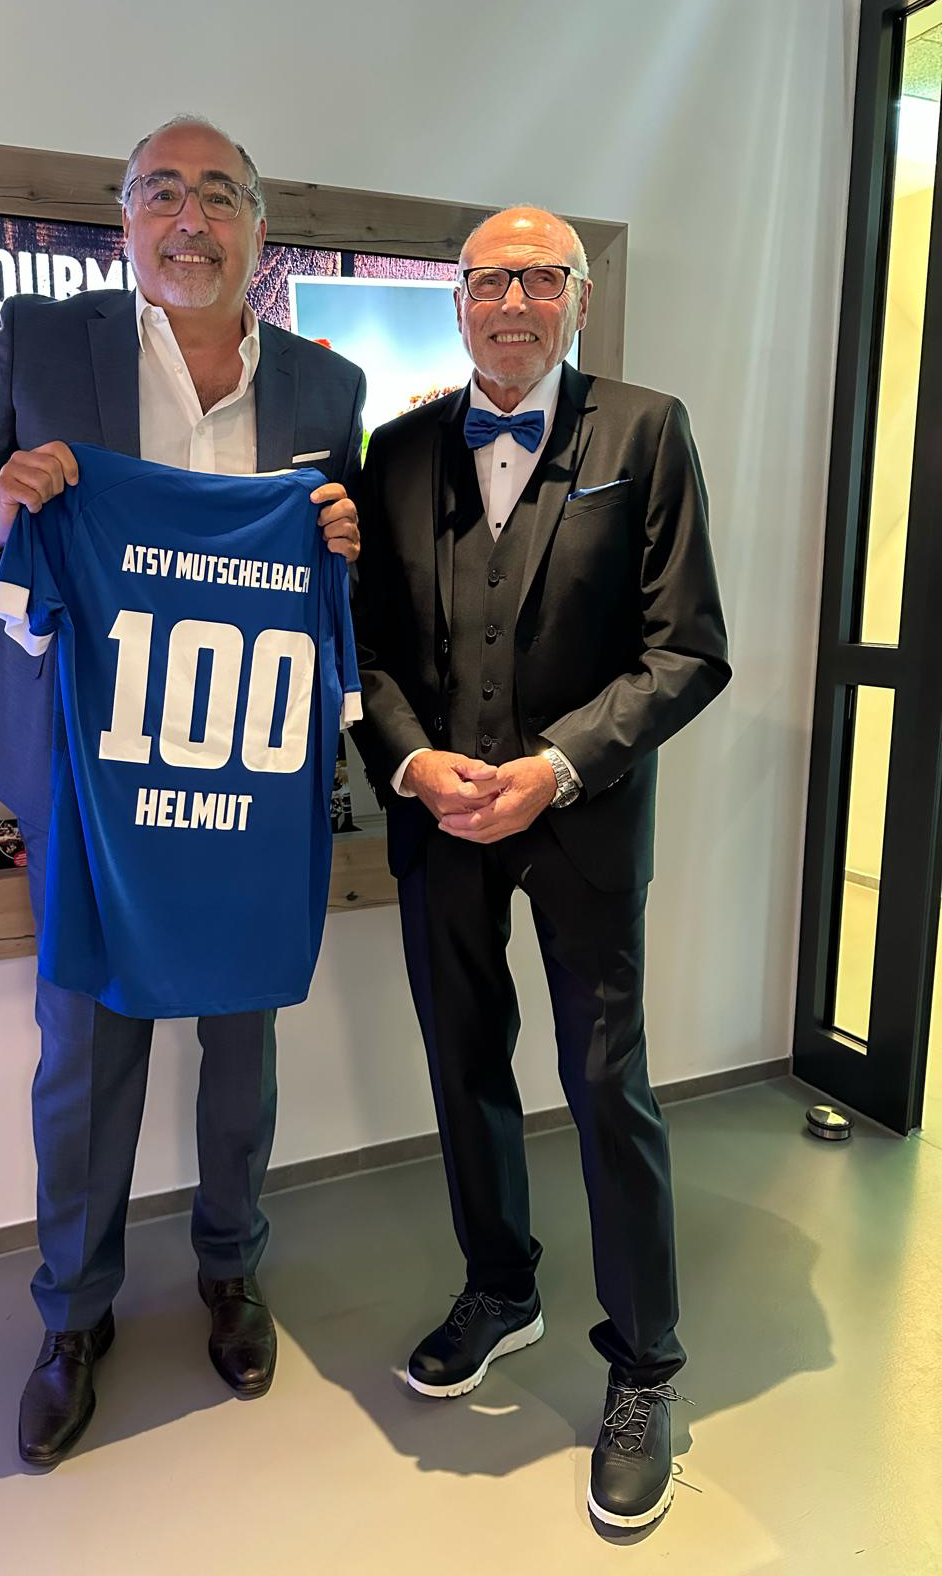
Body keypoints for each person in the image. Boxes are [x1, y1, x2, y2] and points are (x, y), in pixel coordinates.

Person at [0, 115, 364, 1467]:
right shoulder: (45, 347)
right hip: (87, 769)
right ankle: (72, 1314)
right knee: (86, 1052)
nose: (190, 220)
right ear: (126, 222)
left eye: (219, 196)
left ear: (259, 229)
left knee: (241, 1040)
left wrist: (347, 538)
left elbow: (353, 566)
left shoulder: (326, 389)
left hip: (247, 764)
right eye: (163, 193)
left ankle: (232, 1268)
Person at [350, 206, 729, 1529]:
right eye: (488, 281)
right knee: (463, 1063)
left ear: (577, 297)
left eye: (539, 279)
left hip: (584, 816)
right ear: (457, 301)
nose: (513, 302)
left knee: (606, 1081)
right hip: (442, 820)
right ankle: (501, 1285)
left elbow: (688, 650)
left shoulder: (648, 431)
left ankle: (645, 1364)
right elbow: (366, 652)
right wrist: (412, 764)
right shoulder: (398, 451)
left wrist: (557, 766)